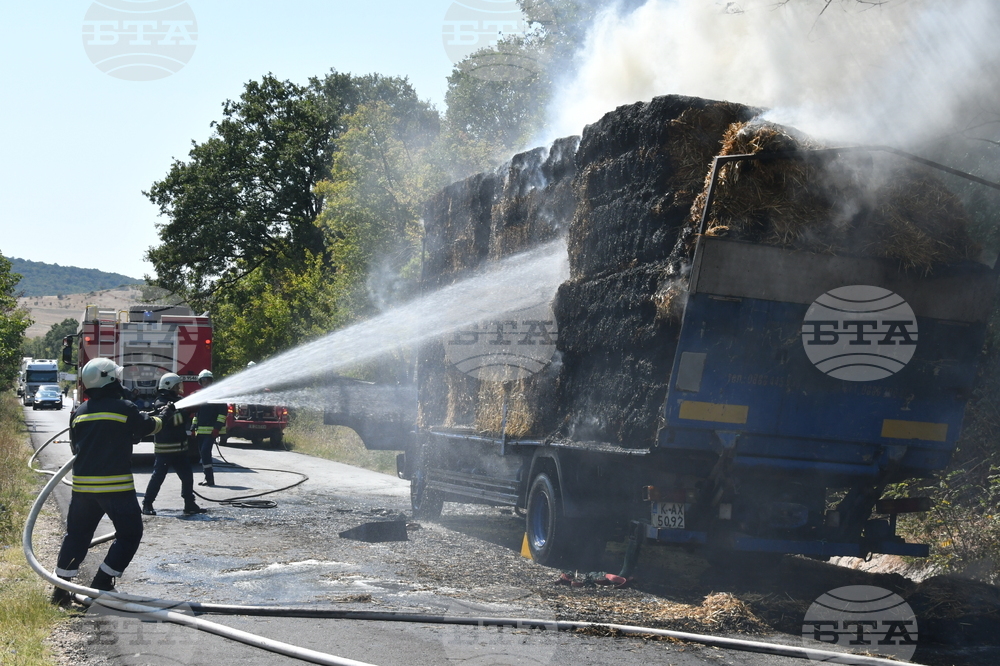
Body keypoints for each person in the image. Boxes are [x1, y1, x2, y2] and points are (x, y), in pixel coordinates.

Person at [51, 358, 164, 606]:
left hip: (83, 490)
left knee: (77, 536)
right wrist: (162, 417)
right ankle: (102, 582)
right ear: (110, 379)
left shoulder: (80, 412)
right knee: (130, 534)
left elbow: (76, 446)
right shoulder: (124, 407)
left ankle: (60, 591)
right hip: (116, 489)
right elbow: (147, 427)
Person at [141, 373, 206, 517]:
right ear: (169, 386)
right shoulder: (160, 403)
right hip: (165, 449)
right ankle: (147, 503)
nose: (179, 388)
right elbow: (173, 421)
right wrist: (186, 413)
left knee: (188, 476)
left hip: (180, 449)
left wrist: (193, 407)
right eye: (177, 386)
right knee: (158, 477)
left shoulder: (177, 400)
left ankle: (189, 504)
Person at [193, 369, 227, 487]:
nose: (205, 382)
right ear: (200, 382)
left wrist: (217, 428)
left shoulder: (218, 395)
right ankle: (207, 478)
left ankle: (210, 479)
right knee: (203, 455)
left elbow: (223, 413)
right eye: (203, 380)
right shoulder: (200, 395)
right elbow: (197, 414)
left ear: (211, 381)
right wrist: (193, 426)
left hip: (211, 431)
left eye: (207, 380)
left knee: (205, 452)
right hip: (200, 431)